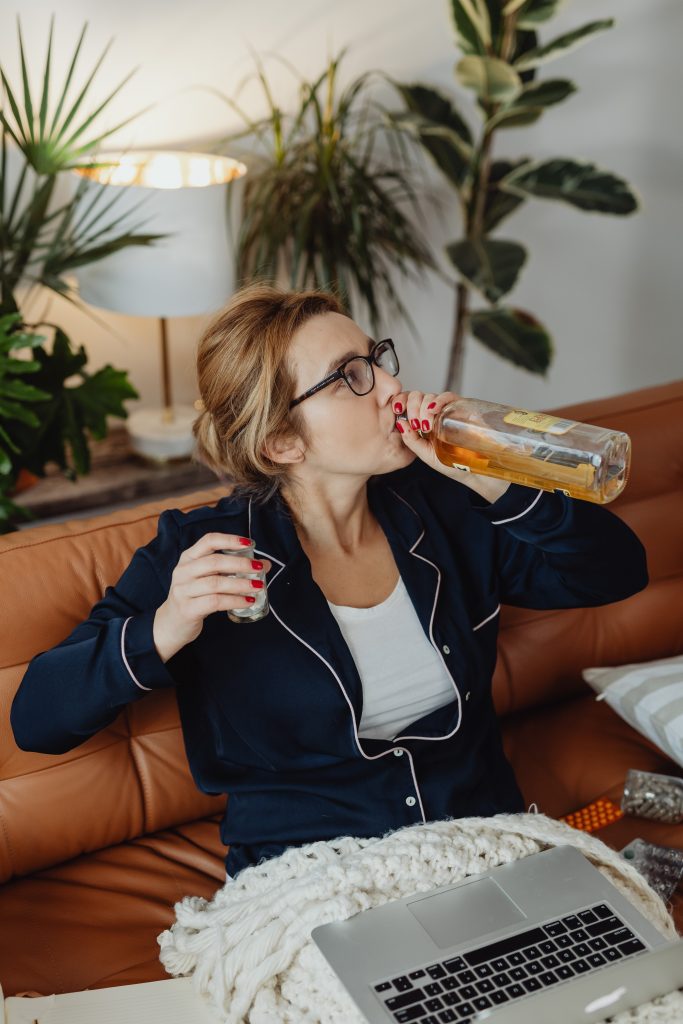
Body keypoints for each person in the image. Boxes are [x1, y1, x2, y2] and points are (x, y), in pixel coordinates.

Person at [10, 283, 649, 881]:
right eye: (352, 376)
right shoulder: (204, 551)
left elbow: (615, 570)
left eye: (377, 358)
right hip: (312, 875)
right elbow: (37, 720)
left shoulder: (445, 507)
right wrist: (168, 624)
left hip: (481, 843)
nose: (392, 386)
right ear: (281, 442)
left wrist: (488, 472)